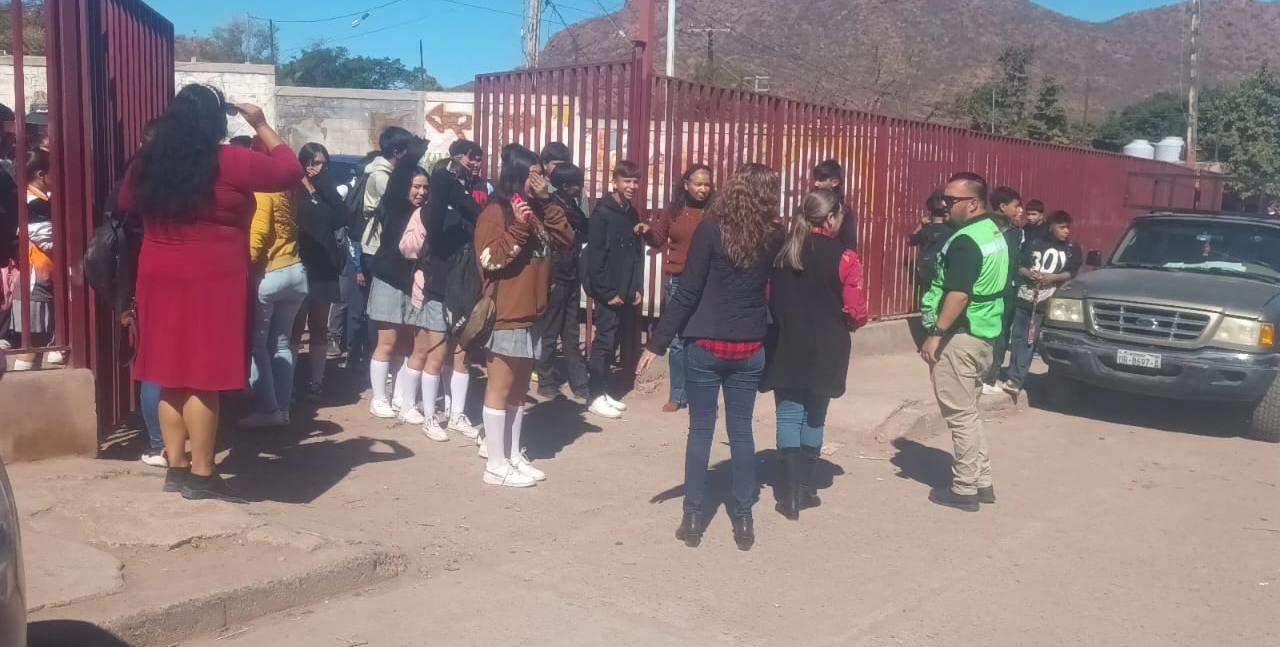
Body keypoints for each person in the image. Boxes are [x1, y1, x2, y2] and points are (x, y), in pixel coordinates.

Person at [118, 85, 303, 502]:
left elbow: (126, 201)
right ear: (215, 121)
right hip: (212, 276)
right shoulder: (231, 161)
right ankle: (203, 474)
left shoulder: (148, 163)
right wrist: (259, 123)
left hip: (158, 273)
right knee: (203, 376)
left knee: (168, 373)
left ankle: (177, 468)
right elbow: (290, 171)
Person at [637, 163, 784, 551]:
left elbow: (686, 291)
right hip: (750, 345)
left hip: (706, 343)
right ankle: (744, 517)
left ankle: (693, 515)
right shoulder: (774, 234)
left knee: (701, 431)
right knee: (742, 433)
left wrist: (657, 343)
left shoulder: (711, 230)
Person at [763, 189, 868, 520]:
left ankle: (789, 493)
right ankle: (807, 489)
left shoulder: (782, 255)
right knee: (815, 415)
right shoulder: (846, 258)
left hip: (787, 342)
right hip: (828, 345)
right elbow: (856, 310)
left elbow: (768, 298)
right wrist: (849, 321)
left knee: (789, 414)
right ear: (832, 218)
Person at [473, 145, 573, 487]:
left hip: (533, 313)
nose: (541, 179)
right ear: (517, 175)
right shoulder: (495, 212)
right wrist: (518, 228)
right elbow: (489, 260)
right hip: (506, 313)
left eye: (541, 174)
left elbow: (567, 238)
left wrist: (546, 203)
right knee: (500, 389)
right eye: (534, 174)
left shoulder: (539, 209)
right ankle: (495, 464)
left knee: (517, 393)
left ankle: (513, 455)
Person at [919, 172, 1009, 512]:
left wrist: (936, 334)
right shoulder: (992, 232)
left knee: (959, 415)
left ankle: (965, 487)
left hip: (961, 336)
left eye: (951, 201)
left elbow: (958, 294)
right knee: (970, 413)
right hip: (985, 333)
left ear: (973, 203)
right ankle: (982, 480)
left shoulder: (965, 240)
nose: (945, 206)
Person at [422, 139, 487, 442]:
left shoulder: (476, 193)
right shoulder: (438, 193)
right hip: (440, 284)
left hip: (467, 283)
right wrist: (447, 183)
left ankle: (458, 414)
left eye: (477, 159)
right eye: (470, 159)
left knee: (462, 354)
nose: (474, 164)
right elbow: (433, 227)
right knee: (436, 353)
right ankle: (428, 417)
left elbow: (479, 219)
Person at [365, 137, 432, 420]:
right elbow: (398, 181)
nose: (420, 192)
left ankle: (403, 398)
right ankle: (379, 398)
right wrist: (413, 153)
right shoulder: (394, 206)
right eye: (416, 186)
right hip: (389, 280)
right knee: (388, 342)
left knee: (408, 344)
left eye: (425, 188)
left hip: (412, 284)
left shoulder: (426, 213)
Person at [643, 164, 713, 413]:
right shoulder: (673, 211)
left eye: (707, 184)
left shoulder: (715, 212)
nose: (703, 189)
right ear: (686, 184)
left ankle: (701, 396)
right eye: (698, 183)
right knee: (677, 340)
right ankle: (677, 394)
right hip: (678, 280)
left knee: (701, 340)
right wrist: (647, 232)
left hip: (707, 282)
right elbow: (658, 239)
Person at [241, 187, 307, 428]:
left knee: (259, 346)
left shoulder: (263, 194)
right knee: (281, 344)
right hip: (296, 271)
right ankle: (283, 408)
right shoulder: (287, 194)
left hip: (271, 273)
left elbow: (259, 233)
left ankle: (267, 409)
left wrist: (243, 267)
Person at [585, 161, 645, 420]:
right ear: (615, 182)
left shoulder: (630, 212)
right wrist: (607, 292)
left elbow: (634, 254)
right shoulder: (602, 214)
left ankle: (604, 390)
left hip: (626, 290)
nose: (631, 186)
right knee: (603, 342)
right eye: (626, 181)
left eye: (635, 181)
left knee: (614, 342)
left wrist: (637, 287)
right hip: (608, 291)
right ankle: (594, 395)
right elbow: (594, 258)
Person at [1003, 210, 1081, 394]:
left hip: (1046, 300)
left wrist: (1054, 277)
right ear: (1052, 226)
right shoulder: (1034, 243)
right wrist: (1029, 274)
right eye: (1062, 227)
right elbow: (1019, 266)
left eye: (1068, 227)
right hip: (1025, 296)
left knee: (1030, 340)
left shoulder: (1071, 248)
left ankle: (1016, 380)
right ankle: (1011, 373)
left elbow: (1072, 271)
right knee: (1017, 339)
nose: (1066, 231)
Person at [293, 143, 348, 401]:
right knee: (294, 327)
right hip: (300, 265)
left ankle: (316, 381)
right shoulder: (293, 190)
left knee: (318, 326)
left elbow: (342, 216)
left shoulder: (328, 191)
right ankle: (289, 384)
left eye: (325, 163)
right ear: (304, 163)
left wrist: (326, 187)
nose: (321, 168)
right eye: (316, 163)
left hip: (324, 267)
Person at [535, 162, 590, 401]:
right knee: (549, 331)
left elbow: (585, 230)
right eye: (577, 184)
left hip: (570, 273)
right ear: (566, 186)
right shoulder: (551, 205)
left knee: (570, 332)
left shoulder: (571, 204)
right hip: (555, 275)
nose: (581, 188)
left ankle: (580, 384)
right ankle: (546, 382)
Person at [10, 150, 55, 371]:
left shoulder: (37, 198)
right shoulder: (33, 202)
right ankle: (20, 397)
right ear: (40, 174)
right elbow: (49, 239)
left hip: (38, 278)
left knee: (36, 344)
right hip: (35, 281)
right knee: (32, 345)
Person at [982, 186, 1025, 396]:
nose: (1020, 210)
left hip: (995, 288)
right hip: (1003, 289)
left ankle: (987, 375)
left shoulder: (986, 226)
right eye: (1016, 206)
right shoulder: (1007, 231)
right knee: (999, 334)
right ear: (1003, 206)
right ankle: (989, 378)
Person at [910, 188, 953, 300]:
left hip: (925, 268)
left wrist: (921, 224)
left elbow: (912, 240)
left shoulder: (925, 230)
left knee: (928, 295)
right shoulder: (951, 231)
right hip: (942, 269)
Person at [812, 159, 858, 251]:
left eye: (821, 179)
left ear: (835, 182)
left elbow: (850, 247)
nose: (816, 183)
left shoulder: (844, 212)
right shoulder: (808, 206)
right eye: (816, 179)